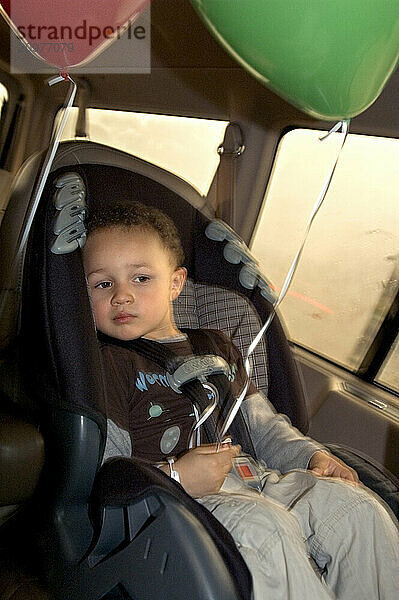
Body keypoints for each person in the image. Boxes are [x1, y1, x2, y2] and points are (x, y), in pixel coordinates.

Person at [82, 201, 399, 600]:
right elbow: (109, 469)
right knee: (262, 528)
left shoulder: (218, 345)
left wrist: (310, 456)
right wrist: (177, 477)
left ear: (176, 283)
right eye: (103, 284)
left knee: (357, 510)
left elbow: (264, 427)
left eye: (141, 278)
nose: (122, 296)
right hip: (180, 500)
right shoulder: (107, 364)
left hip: (259, 478)